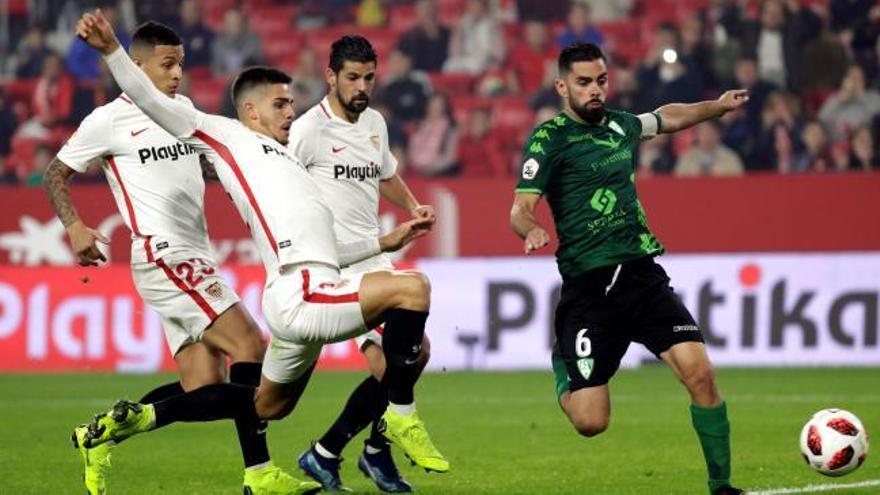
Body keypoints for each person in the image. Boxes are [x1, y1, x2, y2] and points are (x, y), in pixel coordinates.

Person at [74, 9, 448, 488]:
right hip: (300, 294)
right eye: (281, 104)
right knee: (413, 288)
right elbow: (154, 102)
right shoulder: (229, 138)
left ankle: (133, 421)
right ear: (250, 112)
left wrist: (384, 241)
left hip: (313, 290)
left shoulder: (292, 166)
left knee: (263, 404)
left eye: (291, 103)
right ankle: (398, 415)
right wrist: (112, 51)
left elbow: (326, 246)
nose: (291, 112)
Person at [44, 21, 308, 495]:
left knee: (203, 388)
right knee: (250, 345)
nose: (178, 74)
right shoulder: (107, 121)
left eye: (181, 64)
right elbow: (54, 172)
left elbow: (207, 162)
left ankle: (101, 432)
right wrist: (75, 226)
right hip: (164, 255)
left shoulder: (180, 111)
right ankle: (260, 473)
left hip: (195, 256)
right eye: (167, 64)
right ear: (136, 65)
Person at [508, 42, 747, 495]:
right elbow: (520, 208)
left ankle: (722, 485)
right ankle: (564, 363)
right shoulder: (549, 139)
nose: (595, 90)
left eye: (600, 80)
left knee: (699, 372)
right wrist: (530, 229)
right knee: (590, 422)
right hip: (589, 290)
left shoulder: (620, 124)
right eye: (583, 83)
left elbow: (668, 117)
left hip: (641, 275)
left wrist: (715, 108)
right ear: (562, 86)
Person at [288, 35, 444, 493]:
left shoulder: (374, 121)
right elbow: (281, 190)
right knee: (401, 364)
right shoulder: (308, 131)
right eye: (352, 78)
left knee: (408, 360)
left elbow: (384, 172)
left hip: (374, 259)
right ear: (331, 77)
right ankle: (370, 453)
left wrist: (414, 205)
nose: (362, 87)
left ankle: (329, 453)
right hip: (335, 265)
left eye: (369, 78)